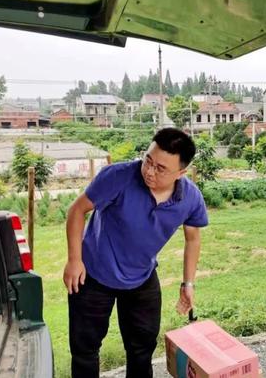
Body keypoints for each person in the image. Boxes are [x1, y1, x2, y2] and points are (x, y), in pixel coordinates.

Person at [63, 128, 208, 378]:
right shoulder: (118, 176)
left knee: (142, 348)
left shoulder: (191, 198)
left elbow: (192, 238)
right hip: (94, 274)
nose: (149, 171)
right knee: (85, 349)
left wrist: (188, 283)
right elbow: (77, 210)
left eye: (161, 168)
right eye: (147, 160)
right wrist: (74, 260)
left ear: (181, 173)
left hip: (141, 276)